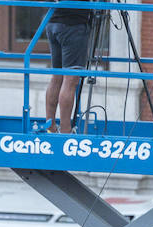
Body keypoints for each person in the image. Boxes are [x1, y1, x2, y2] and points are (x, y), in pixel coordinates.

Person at [43, 4, 91, 134]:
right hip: (72, 25)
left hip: (53, 20)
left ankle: (51, 127)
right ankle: (66, 130)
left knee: (57, 76)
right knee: (70, 79)